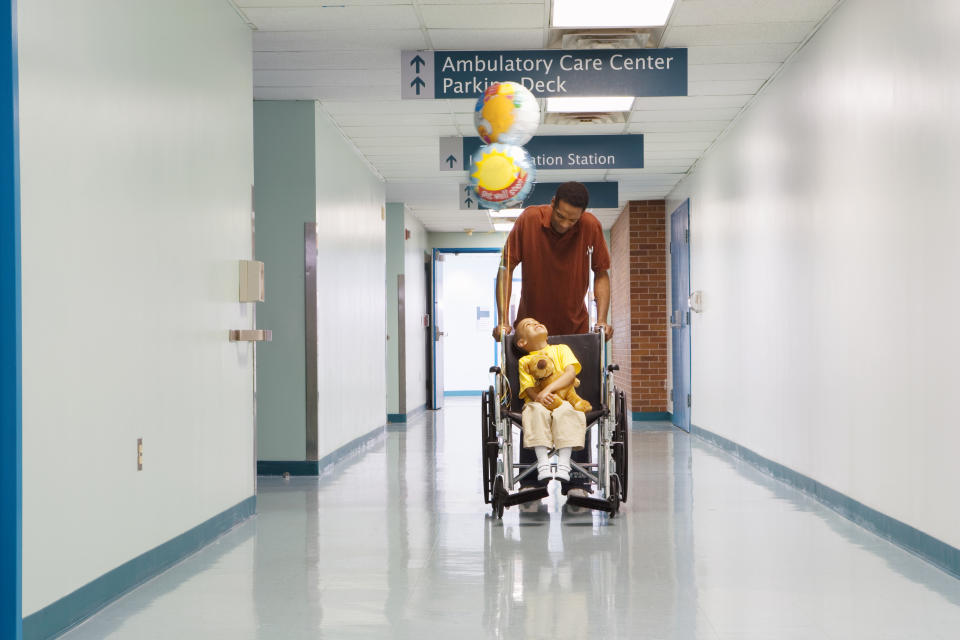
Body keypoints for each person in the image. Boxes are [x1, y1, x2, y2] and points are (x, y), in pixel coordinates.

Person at [492, 181, 612, 508]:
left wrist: (601, 319)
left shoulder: (590, 228)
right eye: (561, 216)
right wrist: (503, 319)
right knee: (530, 402)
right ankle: (531, 480)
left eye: (573, 220)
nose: (565, 224)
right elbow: (505, 268)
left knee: (578, 401)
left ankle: (579, 479)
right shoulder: (530, 220)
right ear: (553, 203)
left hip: (574, 328)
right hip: (531, 333)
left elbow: (601, 272)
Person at [514, 318, 587, 482]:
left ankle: (563, 465)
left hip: (564, 400)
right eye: (529, 325)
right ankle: (543, 463)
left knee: (569, 411)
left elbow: (570, 374)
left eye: (537, 322)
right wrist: (539, 398)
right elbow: (528, 387)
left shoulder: (562, 349)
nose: (536, 323)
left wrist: (547, 390)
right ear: (522, 342)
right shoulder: (524, 361)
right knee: (534, 412)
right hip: (538, 402)